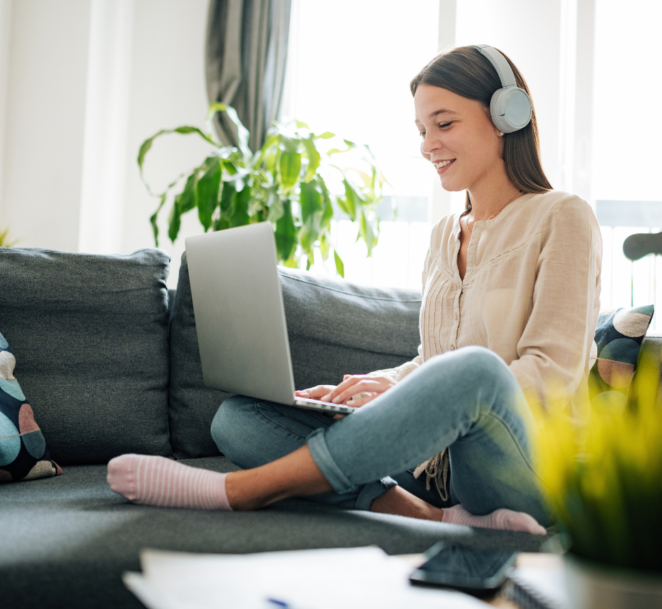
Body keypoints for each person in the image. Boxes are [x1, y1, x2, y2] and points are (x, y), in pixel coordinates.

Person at [107, 46, 602, 534]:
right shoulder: (443, 234)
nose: (429, 145)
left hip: (525, 470)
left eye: (444, 124)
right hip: (437, 474)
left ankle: (241, 491)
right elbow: (432, 359)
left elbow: (552, 373)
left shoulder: (563, 216)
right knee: (239, 417)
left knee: (475, 370)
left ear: (505, 117)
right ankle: (434, 518)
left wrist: (410, 393)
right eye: (421, 130)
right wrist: (380, 387)